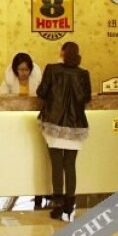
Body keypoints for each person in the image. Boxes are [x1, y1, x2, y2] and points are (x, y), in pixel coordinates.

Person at [36, 42, 91, 222]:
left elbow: (41, 92)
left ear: (61, 53)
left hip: (54, 123)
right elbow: (86, 98)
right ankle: (70, 205)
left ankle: (58, 206)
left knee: (57, 164)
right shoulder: (83, 74)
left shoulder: (51, 69)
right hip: (76, 124)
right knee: (70, 165)